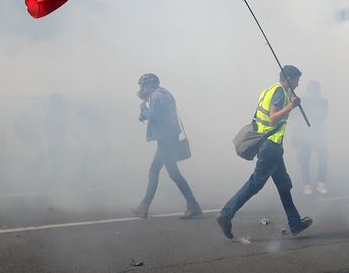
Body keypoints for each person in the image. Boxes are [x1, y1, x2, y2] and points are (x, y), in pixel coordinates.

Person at [216, 65, 313, 239]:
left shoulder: (271, 90)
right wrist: (291, 106)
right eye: (297, 79)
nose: (298, 83)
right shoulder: (279, 93)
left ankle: (295, 223)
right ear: (289, 79)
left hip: (270, 145)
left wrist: (291, 101)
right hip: (271, 146)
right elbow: (273, 117)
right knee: (255, 183)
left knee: (283, 185)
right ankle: (226, 214)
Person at [132, 73, 202, 219]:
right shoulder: (163, 93)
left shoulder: (157, 96)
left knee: (171, 173)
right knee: (156, 171)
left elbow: (154, 116)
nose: (141, 89)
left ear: (151, 85)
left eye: (143, 85)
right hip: (168, 137)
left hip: (166, 139)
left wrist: (143, 108)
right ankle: (144, 206)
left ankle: (192, 205)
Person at [292, 80, 329, 195]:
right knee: (304, 160)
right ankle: (306, 184)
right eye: (312, 91)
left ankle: (321, 183)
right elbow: (294, 115)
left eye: (316, 91)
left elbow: (322, 115)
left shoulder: (323, 102)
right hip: (304, 134)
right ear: (308, 91)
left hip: (318, 134)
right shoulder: (301, 101)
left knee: (323, 158)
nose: (314, 93)